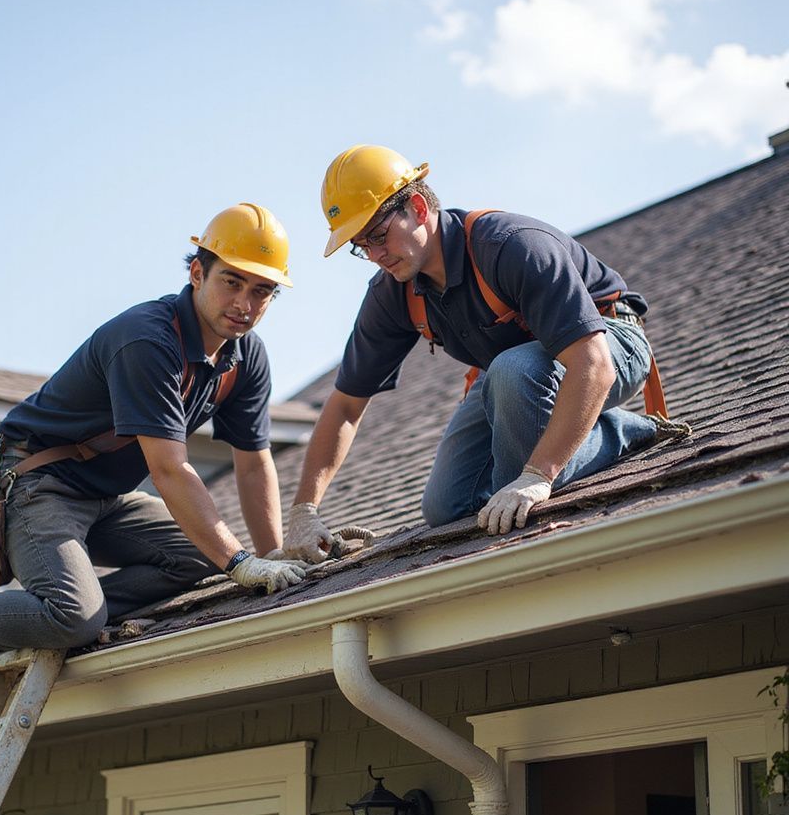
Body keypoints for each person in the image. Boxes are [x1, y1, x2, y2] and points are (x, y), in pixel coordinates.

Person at [0, 203, 309, 700]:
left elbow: (253, 461)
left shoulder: (244, 357)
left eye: (262, 291)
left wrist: (271, 559)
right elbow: (169, 470)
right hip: (37, 484)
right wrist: (241, 564)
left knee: (203, 555)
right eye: (232, 282)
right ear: (196, 273)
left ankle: (66, 614)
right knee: (75, 615)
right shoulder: (148, 340)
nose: (245, 303)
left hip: (107, 497)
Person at [284, 145, 687, 562]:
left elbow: (594, 363)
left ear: (419, 207)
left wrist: (537, 475)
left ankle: (622, 431)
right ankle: (563, 436)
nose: (374, 256)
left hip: (609, 342)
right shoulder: (393, 293)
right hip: (516, 379)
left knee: (515, 415)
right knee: (447, 506)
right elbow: (346, 403)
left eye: (378, 236)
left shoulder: (510, 246)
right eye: (359, 245)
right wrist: (304, 510)